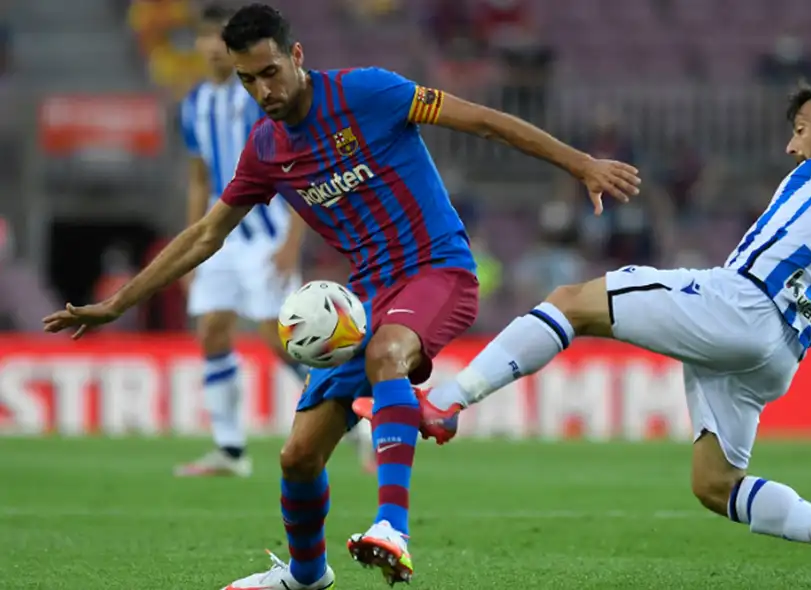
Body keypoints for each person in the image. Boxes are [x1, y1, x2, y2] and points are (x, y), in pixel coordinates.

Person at [41, 3, 641, 589]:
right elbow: (205, 234)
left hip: (438, 270)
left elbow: (483, 120)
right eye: (248, 79)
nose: (262, 90)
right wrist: (119, 302)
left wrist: (580, 163)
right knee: (297, 458)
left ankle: (393, 528)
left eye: (270, 72)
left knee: (387, 356)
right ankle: (306, 576)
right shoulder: (267, 149)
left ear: (296, 55)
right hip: (367, 298)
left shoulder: (369, 93)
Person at [356, 81, 811, 590]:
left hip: (741, 304)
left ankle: (446, 404)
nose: (791, 146)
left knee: (572, 302)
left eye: (801, 129)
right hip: (779, 356)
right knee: (714, 485)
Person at [172, 5, 379, 478]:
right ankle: (229, 449)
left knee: (283, 339)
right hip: (220, 239)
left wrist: (292, 239)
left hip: (266, 234)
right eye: (203, 39)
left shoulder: (261, 98)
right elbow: (198, 180)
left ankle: (353, 423)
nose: (210, 48)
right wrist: (189, 255)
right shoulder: (194, 105)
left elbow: (302, 164)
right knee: (211, 332)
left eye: (216, 39)